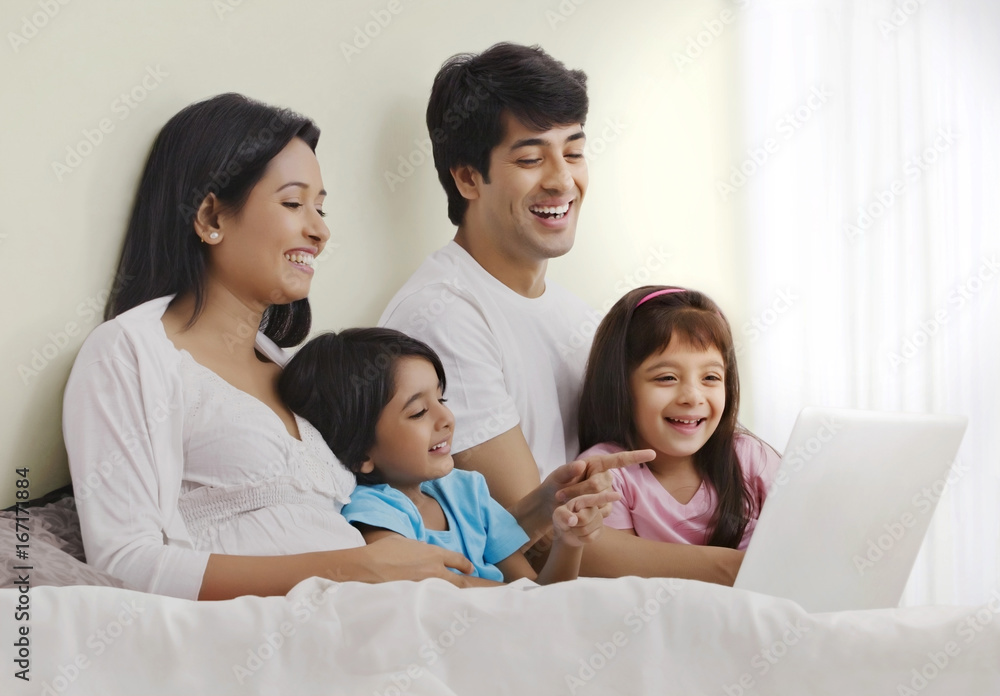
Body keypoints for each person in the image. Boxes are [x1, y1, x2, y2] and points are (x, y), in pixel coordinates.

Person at [62, 92, 633, 601]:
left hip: (384, 617)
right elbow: (124, 563)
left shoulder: (296, 371)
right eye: (293, 204)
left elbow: (417, 525)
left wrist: (538, 511)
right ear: (211, 215)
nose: (320, 230)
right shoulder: (130, 354)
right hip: (286, 637)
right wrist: (353, 570)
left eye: (321, 207)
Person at [379, 43, 744, 583]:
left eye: (572, 152)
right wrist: (739, 569)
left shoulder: (579, 317)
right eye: (530, 159)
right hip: (544, 612)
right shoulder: (443, 315)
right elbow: (540, 536)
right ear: (467, 179)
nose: (561, 180)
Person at [279, 328, 615, 586]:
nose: (446, 419)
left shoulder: (466, 490)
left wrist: (569, 543)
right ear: (361, 454)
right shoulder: (375, 514)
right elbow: (435, 596)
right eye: (419, 411)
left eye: (443, 399)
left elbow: (538, 596)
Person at [576, 287, 781, 577]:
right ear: (621, 385)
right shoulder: (607, 473)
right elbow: (619, 585)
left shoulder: (751, 457)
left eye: (711, 377)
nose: (692, 397)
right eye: (667, 378)